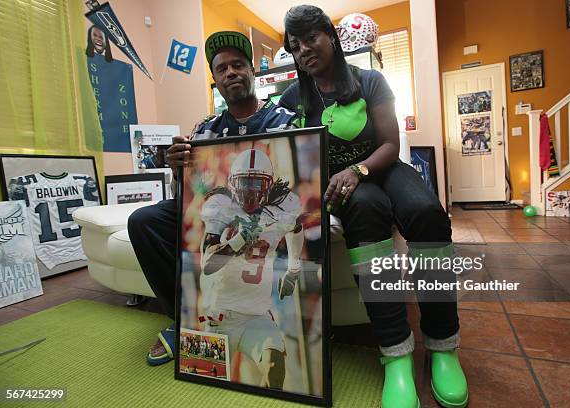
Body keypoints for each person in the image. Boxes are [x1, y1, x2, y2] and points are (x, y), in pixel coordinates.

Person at [279, 6, 467, 408]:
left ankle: (443, 345)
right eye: (295, 46)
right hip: (344, 189)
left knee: (426, 212)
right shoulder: (293, 97)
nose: (305, 50)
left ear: (331, 36)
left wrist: (356, 169)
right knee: (364, 211)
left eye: (311, 38)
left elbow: (390, 145)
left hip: (380, 167)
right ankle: (395, 354)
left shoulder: (370, 80)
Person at [128, 31, 297, 368]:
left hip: (264, 217)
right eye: (221, 69)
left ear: (252, 71)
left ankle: (280, 323)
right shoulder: (204, 130)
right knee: (143, 220)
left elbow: (296, 184)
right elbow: (191, 193)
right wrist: (179, 167)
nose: (230, 72)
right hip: (222, 210)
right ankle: (184, 317)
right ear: (216, 80)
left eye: (237, 65)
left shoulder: (286, 122)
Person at [197, 147, 303, 389]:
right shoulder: (221, 205)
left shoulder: (282, 207)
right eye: (245, 183)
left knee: (275, 371)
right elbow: (208, 265)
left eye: (257, 184)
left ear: (269, 184)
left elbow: (296, 228)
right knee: (205, 385)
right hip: (218, 315)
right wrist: (239, 239)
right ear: (233, 183)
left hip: (257, 314)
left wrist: (293, 270)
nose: (250, 191)